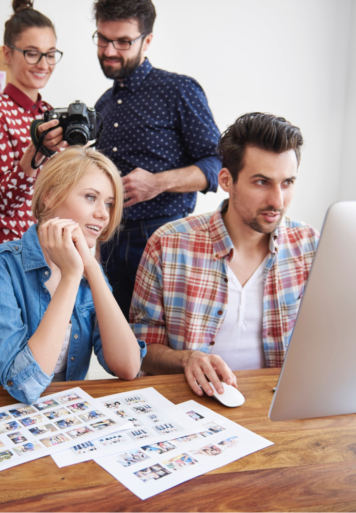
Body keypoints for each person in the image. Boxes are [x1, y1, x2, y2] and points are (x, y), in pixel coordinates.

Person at [130, 113, 319, 397]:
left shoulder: (309, 245)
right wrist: (187, 359)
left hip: (276, 405)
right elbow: (140, 349)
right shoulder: (168, 245)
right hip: (193, 406)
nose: (277, 201)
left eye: (287, 183)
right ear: (226, 180)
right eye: (261, 182)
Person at [0, 147, 146, 404]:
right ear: (50, 195)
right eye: (91, 197)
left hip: (59, 417)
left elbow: (128, 366)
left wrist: (90, 267)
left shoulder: (89, 270)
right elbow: (23, 386)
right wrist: (70, 277)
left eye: (109, 203)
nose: (103, 214)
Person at [92, 0, 222, 319]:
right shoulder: (103, 104)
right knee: (117, 350)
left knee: (164, 348)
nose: (109, 50)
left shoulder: (178, 90)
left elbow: (218, 164)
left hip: (163, 237)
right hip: (108, 241)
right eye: (103, 38)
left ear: (147, 40)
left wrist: (158, 182)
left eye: (123, 41)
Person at [0, 0, 68, 246]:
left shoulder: (48, 112)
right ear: (8, 53)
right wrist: (37, 150)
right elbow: (5, 202)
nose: (44, 64)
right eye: (32, 53)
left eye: (50, 54)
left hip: (47, 245)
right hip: (10, 248)